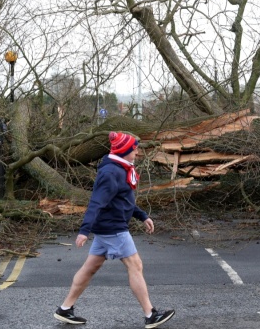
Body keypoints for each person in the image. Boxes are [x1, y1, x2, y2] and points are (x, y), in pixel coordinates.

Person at [54, 131, 175, 328]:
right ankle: (150, 314)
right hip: (113, 228)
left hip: (108, 227)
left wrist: (142, 215)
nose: (136, 153)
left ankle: (65, 309)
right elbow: (96, 202)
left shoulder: (120, 168)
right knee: (135, 266)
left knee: (90, 268)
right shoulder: (111, 172)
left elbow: (122, 201)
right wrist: (84, 230)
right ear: (125, 151)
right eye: (134, 149)